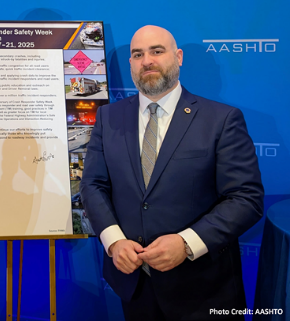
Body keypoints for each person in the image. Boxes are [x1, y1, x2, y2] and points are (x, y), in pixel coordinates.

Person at [81, 25, 263, 320]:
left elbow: (246, 198)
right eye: (137, 54)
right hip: (134, 284)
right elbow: (92, 184)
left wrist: (187, 243)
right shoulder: (108, 117)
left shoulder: (221, 120)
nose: (147, 61)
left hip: (203, 288)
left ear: (178, 57)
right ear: (131, 64)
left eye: (157, 51)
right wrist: (113, 241)